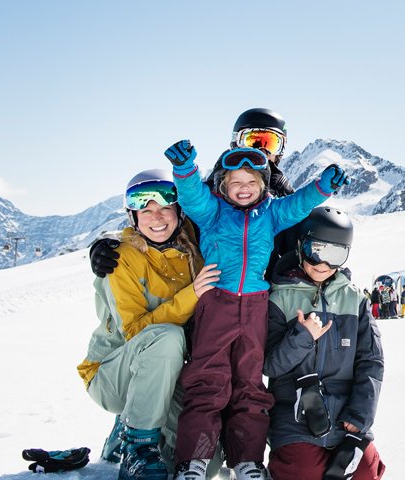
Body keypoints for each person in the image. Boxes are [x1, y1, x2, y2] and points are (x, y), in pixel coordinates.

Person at [165, 141, 345, 480]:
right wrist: (186, 170)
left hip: (255, 307)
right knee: (209, 380)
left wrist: (323, 187)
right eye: (235, 183)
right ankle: (193, 462)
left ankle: (248, 461)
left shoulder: (271, 214)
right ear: (222, 186)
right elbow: (191, 197)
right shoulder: (213, 212)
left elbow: (298, 205)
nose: (243, 189)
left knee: (249, 384)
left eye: (251, 182)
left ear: (263, 186)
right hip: (216, 304)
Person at [78, 170, 216, 480]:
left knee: (208, 462)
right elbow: (136, 332)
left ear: (179, 211)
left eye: (165, 207)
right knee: (166, 337)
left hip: (167, 375)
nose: (157, 217)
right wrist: (192, 295)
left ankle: (131, 433)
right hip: (113, 374)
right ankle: (137, 446)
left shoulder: (191, 247)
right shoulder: (121, 258)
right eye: (146, 209)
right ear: (133, 216)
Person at [90, 108, 296, 279]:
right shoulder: (208, 191)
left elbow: (305, 242)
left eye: (270, 142)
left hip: (261, 293)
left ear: (280, 150)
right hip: (203, 287)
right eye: (252, 140)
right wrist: (105, 246)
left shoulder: (286, 197)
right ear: (236, 143)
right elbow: (162, 221)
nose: (260, 150)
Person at [264, 207, 386, 480]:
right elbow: (270, 365)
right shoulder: (279, 298)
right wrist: (301, 337)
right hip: (294, 414)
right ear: (300, 246)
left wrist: (359, 419)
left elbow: (371, 362)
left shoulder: (355, 300)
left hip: (346, 415)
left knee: (364, 469)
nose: (322, 263)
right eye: (315, 250)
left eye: (335, 255)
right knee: (304, 471)